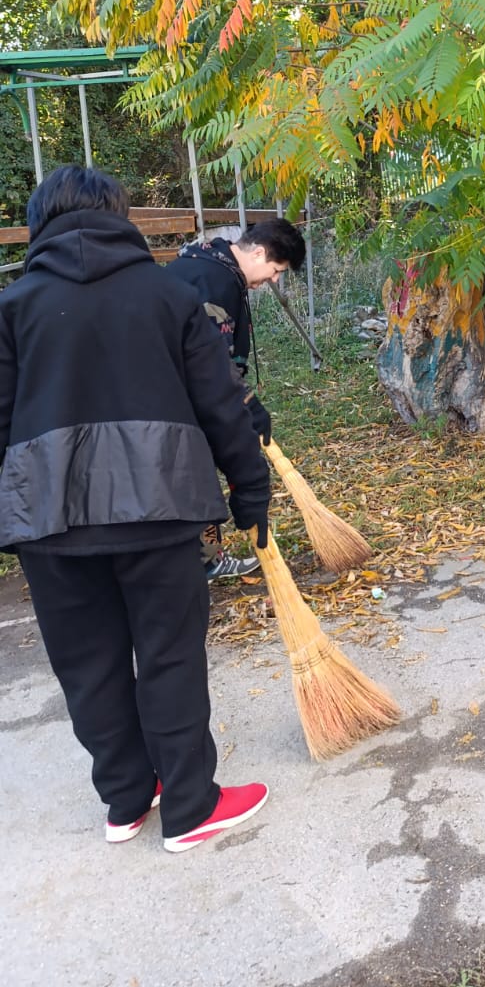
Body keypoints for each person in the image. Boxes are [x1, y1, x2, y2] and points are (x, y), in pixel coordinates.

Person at [0, 166, 272, 851]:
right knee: (170, 655)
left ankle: (126, 799)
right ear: (119, 215)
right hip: (161, 505)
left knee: (85, 665)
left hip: (50, 520)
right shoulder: (168, 294)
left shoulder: (12, 307)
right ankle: (189, 806)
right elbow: (221, 402)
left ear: (40, 223)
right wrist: (250, 488)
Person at [164, 217, 306, 580]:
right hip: (183, 399)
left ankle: (205, 558)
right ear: (257, 252)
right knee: (197, 475)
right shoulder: (215, 280)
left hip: (179, 392)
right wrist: (243, 404)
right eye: (276, 270)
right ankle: (203, 561)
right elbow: (209, 359)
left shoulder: (205, 263)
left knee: (196, 474)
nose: (274, 280)